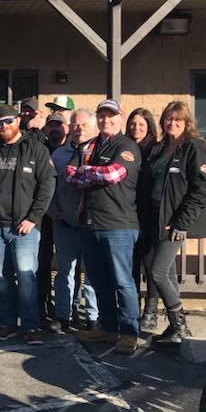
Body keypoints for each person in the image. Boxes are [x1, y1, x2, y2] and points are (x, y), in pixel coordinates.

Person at [66, 99, 142, 355]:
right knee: (98, 280)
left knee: (122, 282)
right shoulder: (89, 145)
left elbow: (114, 174)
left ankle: (129, 333)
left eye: (111, 116)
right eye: (102, 115)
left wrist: (86, 171)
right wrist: (92, 172)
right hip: (89, 223)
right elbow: (69, 174)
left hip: (118, 225)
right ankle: (107, 328)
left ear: (120, 117)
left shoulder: (127, 146)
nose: (106, 120)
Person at [0, 105, 55, 344]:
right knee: (2, 279)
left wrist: (33, 218)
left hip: (24, 228)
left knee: (26, 279)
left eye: (8, 121)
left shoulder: (36, 149)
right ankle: (7, 324)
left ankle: (31, 327)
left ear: (18, 121)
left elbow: (47, 185)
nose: (4, 127)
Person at [139, 101, 206, 350]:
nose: (172, 123)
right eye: (168, 119)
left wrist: (181, 223)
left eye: (177, 119)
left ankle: (181, 327)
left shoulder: (194, 147)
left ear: (186, 123)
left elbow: (201, 192)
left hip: (175, 222)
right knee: (165, 273)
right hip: (155, 219)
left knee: (158, 272)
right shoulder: (160, 148)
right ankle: (174, 326)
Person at [47, 108, 98, 333]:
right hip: (64, 222)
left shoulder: (99, 152)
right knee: (65, 271)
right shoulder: (58, 155)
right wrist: (52, 210)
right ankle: (63, 315)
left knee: (92, 273)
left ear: (93, 127)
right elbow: (48, 186)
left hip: (91, 223)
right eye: (75, 125)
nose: (79, 129)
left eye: (84, 125)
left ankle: (93, 317)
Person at [126, 107, 160, 326]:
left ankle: (151, 311)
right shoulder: (124, 146)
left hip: (151, 215)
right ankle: (133, 307)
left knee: (151, 265)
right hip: (128, 213)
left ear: (149, 127)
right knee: (131, 265)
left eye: (141, 124)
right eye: (132, 123)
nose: (136, 128)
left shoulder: (156, 149)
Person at [35, 113, 68, 323]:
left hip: (67, 215)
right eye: (51, 126)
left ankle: (68, 308)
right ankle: (42, 303)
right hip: (44, 215)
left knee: (68, 266)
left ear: (66, 128)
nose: (55, 129)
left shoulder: (72, 149)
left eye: (59, 125)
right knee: (42, 262)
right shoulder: (40, 149)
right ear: (45, 129)